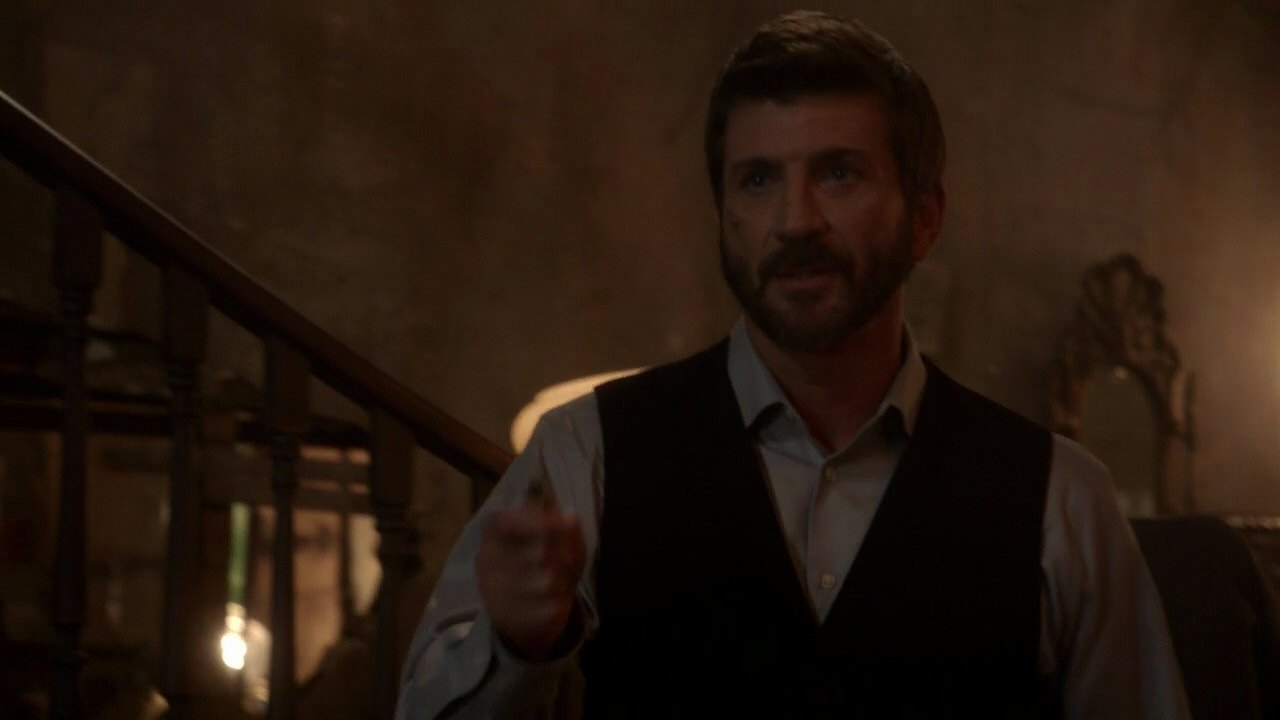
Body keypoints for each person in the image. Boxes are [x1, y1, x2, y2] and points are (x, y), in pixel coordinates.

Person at [396, 10, 1190, 719]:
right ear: (723, 217)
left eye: (838, 173)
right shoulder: (587, 454)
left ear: (925, 217)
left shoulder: (1061, 499)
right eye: (757, 180)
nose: (794, 220)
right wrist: (519, 648)